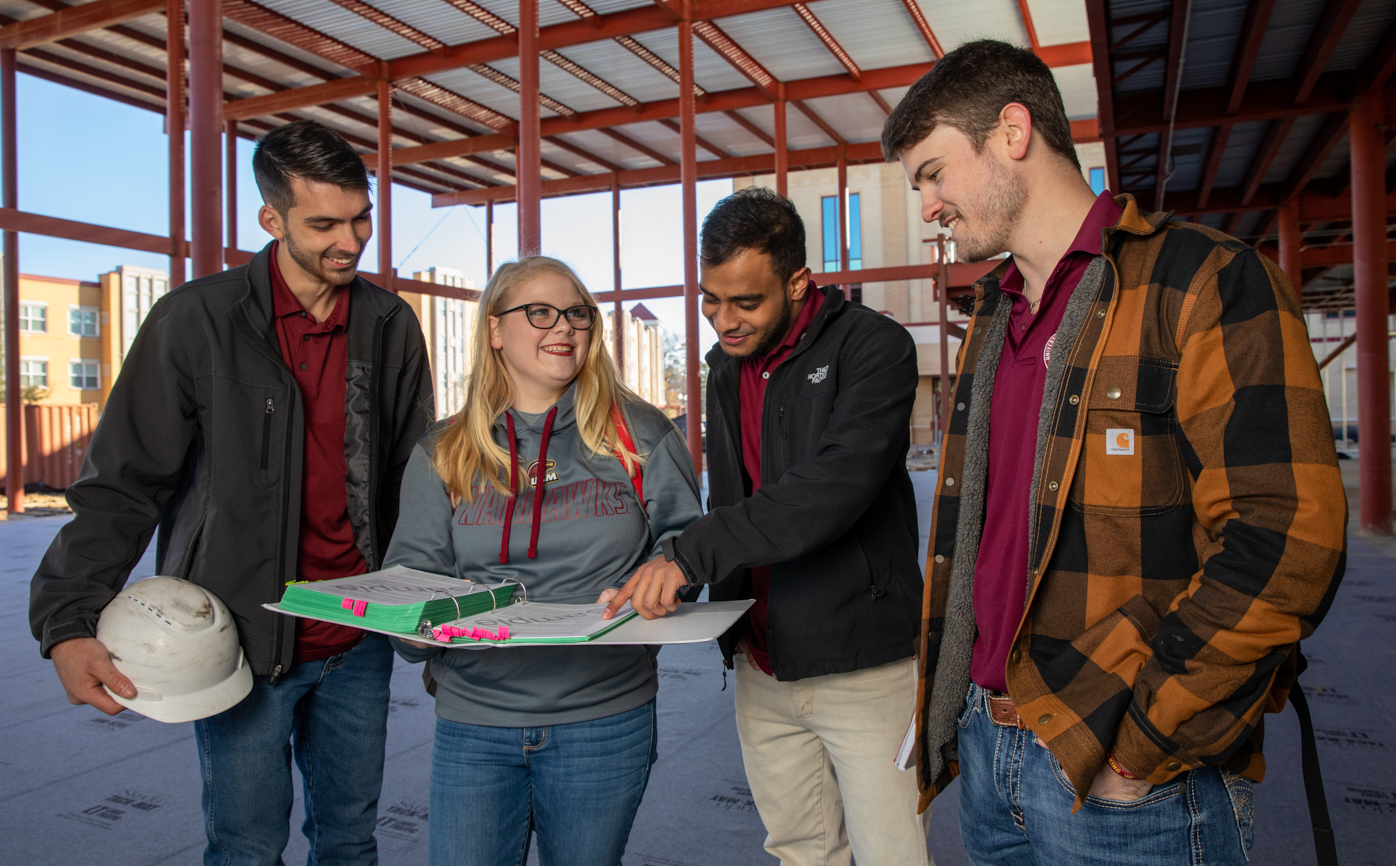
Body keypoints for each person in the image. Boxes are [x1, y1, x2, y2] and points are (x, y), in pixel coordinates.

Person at [879, 39, 1348, 865]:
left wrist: (1142, 741)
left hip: (1128, 773)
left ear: (1013, 131)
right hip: (989, 756)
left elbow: (1286, 539)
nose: (927, 206)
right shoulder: (996, 317)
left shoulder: (1204, 279)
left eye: (932, 172)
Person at [29, 119, 434, 865]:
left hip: (357, 639)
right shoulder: (194, 321)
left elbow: (418, 486)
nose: (350, 240)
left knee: (351, 843)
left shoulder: (389, 324)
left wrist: (432, 612)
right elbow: (124, 483)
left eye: (361, 218)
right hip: (242, 638)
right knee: (245, 847)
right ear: (271, 220)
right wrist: (67, 619)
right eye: (324, 224)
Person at [607, 188, 931, 866]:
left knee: (890, 855)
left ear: (797, 282)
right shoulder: (724, 368)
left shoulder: (876, 348)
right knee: (800, 851)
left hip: (862, 661)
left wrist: (690, 554)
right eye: (710, 299)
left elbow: (832, 488)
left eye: (746, 302)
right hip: (759, 657)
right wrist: (683, 587)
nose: (724, 320)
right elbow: (733, 495)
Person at [383, 256, 703, 866]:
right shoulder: (445, 452)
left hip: (604, 719)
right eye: (540, 312)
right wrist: (412, 628)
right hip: (475, 721)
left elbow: (687, 544)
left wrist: (665, 579)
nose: (564, 327)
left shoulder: (639, 433)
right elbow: (411, 579)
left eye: (576, 313)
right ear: (495, 330)